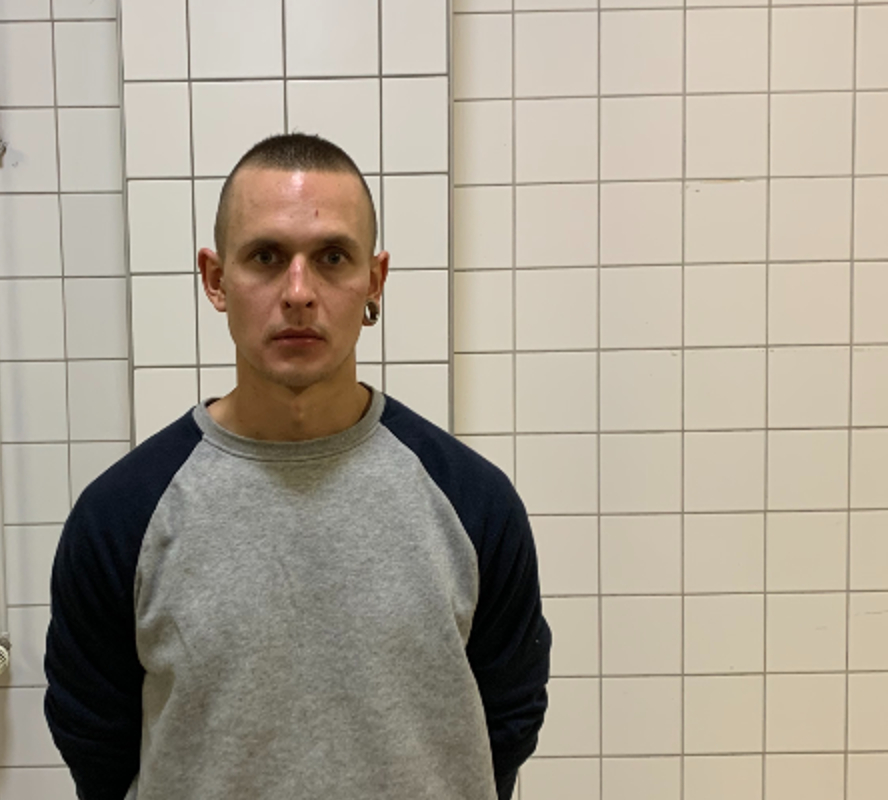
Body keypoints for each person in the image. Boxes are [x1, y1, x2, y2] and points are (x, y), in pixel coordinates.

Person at [44, 133, 551, 800]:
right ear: (215, 280)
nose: (299, 292)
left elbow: (507, 722)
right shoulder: (120, 516)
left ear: (374, 280)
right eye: (266, 257)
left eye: (332, 258)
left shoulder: (473, 502)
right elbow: (95, 743)